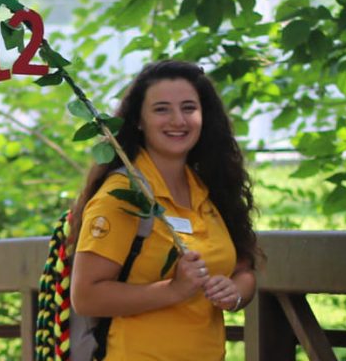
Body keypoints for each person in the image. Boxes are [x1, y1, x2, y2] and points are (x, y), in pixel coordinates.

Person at [70, 60, 260, 360]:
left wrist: (234, 293)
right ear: (139, 120)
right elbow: (86, 296)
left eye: (188, 108)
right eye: (161, 109)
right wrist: (173, 290)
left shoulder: (210, 188)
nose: (178, 120)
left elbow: (243, 270)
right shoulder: (122, 196)